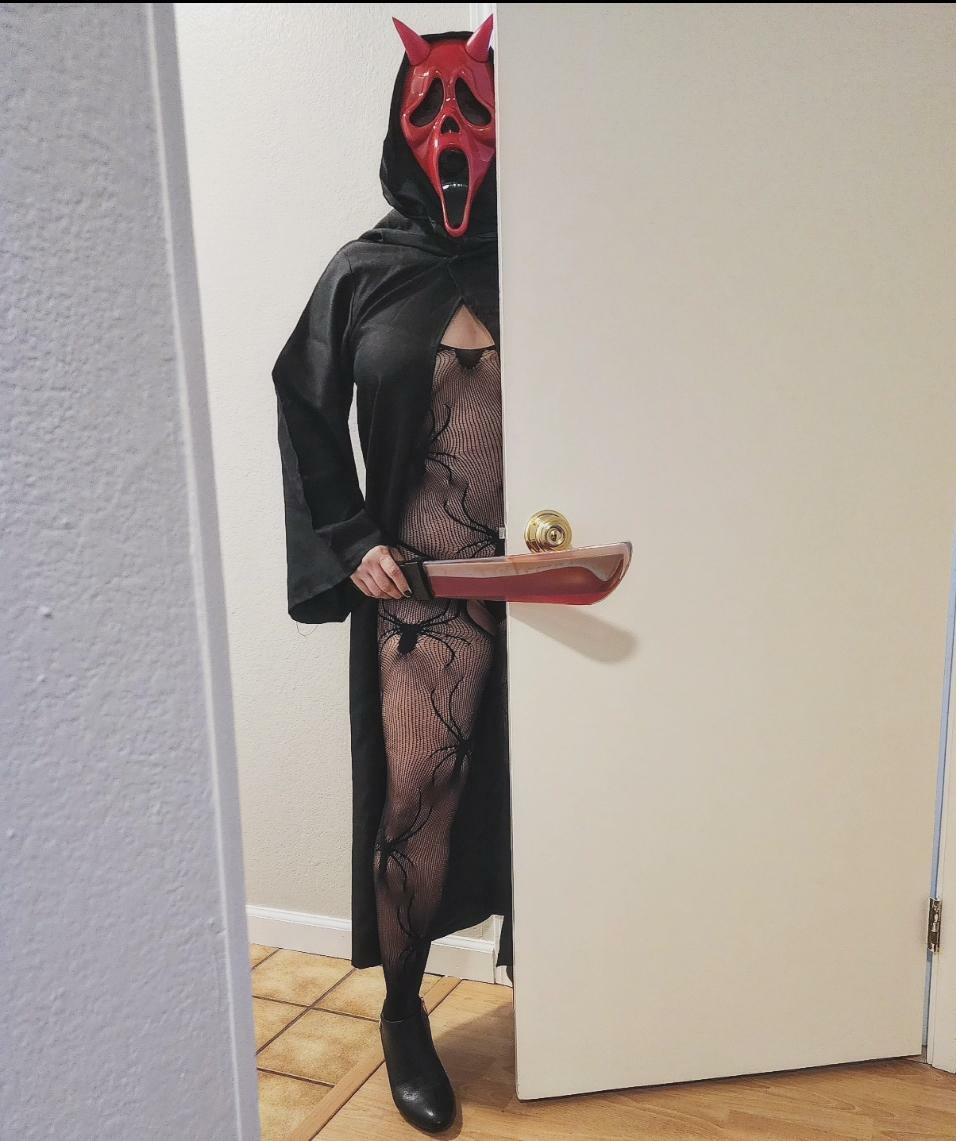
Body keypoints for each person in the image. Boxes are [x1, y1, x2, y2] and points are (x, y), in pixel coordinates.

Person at [271, 15, 509, 1133]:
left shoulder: (558, 253)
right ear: (400, 125)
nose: (453, 130)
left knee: (564, 786)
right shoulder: (364, 271)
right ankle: (405, 1012)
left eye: (475, 106)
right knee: (417, 799)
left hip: (553, 585)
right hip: (420, 596)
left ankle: (590, 995)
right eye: (431, 109)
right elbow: (303, 399)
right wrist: (351, 533)